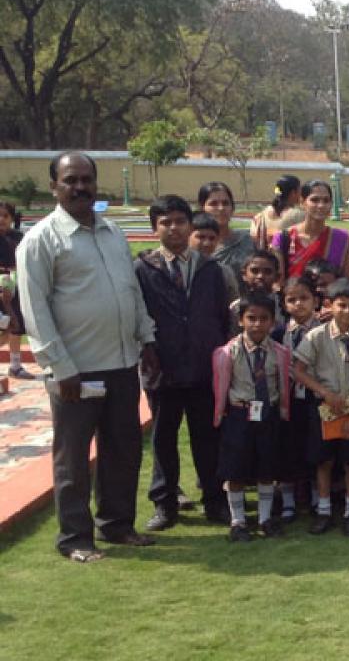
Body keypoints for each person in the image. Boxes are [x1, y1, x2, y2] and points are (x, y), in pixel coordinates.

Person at [17, 151, 158, 561]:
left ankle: (116, 524)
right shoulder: (41, 240)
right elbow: (35, 311)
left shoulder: (112, 233)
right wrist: (60, 368)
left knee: (123, 449)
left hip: (119, 365)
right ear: (54, 187)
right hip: (74, 371)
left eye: (86, 180)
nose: (80, 187)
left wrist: (146, 340)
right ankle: (75, 539)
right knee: (74, 458)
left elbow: (130, 292)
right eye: (71, 180)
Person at [135, 195, 230, 532]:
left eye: (179, 221)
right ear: (154, 229)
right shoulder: (144, 269)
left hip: (205, 366)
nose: (173, 228)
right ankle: (165, 503)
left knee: (208, 437)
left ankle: (215, 500)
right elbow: (138, 315)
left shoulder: (209, 268)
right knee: (163, 438)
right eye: (165, 222)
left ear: (190, 225)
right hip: (163, 366)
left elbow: (222, 315)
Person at [293, 279, 349, 537]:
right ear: (330, 305)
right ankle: (323, 510)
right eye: (342, 305)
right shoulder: (316, 336)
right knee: (324, 461)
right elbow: (297, 371)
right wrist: (324, 392)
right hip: (325, 409)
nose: (347, 311)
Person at [211, 292, 291, 541]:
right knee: (235, 470)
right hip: (239, 413)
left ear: (273, 322)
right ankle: (238, 521)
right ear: (240, 320)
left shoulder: (280, 352)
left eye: (263, 319)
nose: (257, 324)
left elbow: (282, 385)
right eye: (251, 318)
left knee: (267, 467)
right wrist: (220, 414)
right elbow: (220, 384)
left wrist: (282, 411)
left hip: (268, 413)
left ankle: (265, 518)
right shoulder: (227, 352)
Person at [275, 276, 322, 522]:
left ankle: (317, 497)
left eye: (304, 298)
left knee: (316, 448)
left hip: (316, 398)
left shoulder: (326, 330)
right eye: (291, 300)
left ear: (315, 300)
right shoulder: (279, 332)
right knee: (287, 449)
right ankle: (288, 500)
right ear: (284, 304)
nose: (298, 304)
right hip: (287, 399)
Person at [273, 180, 349, 280]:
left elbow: (345, 281)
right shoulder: (283, 238)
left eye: (326, 201)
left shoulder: (342, 238)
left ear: (331, 204)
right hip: (293, 294)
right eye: (314, 200)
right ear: (302, 202)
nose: (321, 205)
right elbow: (278, 282)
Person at [0, 200, 32, 379]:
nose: (1, 219)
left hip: (15, 287)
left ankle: (15, 365)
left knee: (16, 327)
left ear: (12, 218)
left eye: (5, 216)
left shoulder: (18, 237)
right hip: (0, 288)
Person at [197, 181, 256, 276]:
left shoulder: (248, 240)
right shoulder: (195, 244)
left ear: (232, 208)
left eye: (225, 203)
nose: (221, 208)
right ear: (202, 208)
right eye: (213, 204)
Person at [190, 212, 241, 303]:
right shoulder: (176, 269)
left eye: (212, 238)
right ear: (187, 236)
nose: (207, 243)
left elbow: (234, 304)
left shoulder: (224, 272)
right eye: (201, 237)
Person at [250, 175, 305, 249]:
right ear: (293, 192)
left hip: (265, 257)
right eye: (299, 190)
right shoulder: (298, 215)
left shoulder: (262, 214)